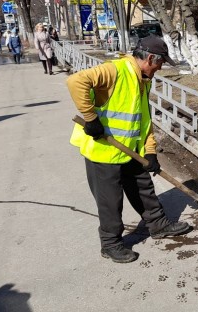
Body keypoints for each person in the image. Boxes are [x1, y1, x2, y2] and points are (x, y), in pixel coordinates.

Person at [66, 35, 190, 264]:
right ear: (151, 58)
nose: (161, 68)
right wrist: (91, 118)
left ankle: (158, 224)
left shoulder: (142, 78)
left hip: (129, 149)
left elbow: (143, 119)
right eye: (161, 63)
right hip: (103, 151)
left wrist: (150, 151)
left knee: (144, 188)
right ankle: (110, 243)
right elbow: (76, 81)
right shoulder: (115, 70)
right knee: (111, 201)